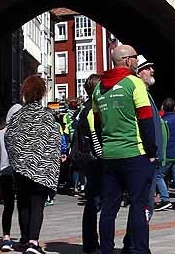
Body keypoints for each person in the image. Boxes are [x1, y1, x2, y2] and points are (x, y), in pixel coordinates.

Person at [89, 45, 156, 254]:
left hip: (110, 155)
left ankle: (106, 249)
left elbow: (98, 124)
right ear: (127, 61)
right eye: (135, 58)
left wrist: (107, 146)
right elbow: (146, 121)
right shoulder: (135, 84)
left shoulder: (98, 89)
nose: (137, 62)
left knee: (109, 208)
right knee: (138, 204)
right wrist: (151, 151)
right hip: (134, 153)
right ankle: (140, 250)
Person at [5, 75, 61, 254]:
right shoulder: (47, 116)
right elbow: (54, 141)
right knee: (37, 204)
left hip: (20, 167)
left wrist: (17, 158)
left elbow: (8, 138)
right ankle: (33, 241)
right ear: (41, 93)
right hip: (41, 168)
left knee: (23, 203)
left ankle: (23, 238)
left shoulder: (17, 116)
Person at [70, 74, 102, 251]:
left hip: (87, 159)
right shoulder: (93, 109)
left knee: (93, 201)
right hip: (96, 159)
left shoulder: (84, 109)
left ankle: (90, 242)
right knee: (96, 201)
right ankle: (93, 242)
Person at [134, 61, 168, 211]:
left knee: (147, 204)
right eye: (147, 68)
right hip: (147, 156)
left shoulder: (147, 95)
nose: (152, 70)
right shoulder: (140, 95)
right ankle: (137, 234)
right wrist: (151, 152)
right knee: (145, 203)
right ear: (138, 73)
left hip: (152, 155)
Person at [0, 109, 17, 253]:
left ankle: (6, 237)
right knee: (24, 205)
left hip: (4, 172)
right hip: (19, 172)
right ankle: (26, 236)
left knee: (8, 206)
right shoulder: (21, 134)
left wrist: (0, 165)